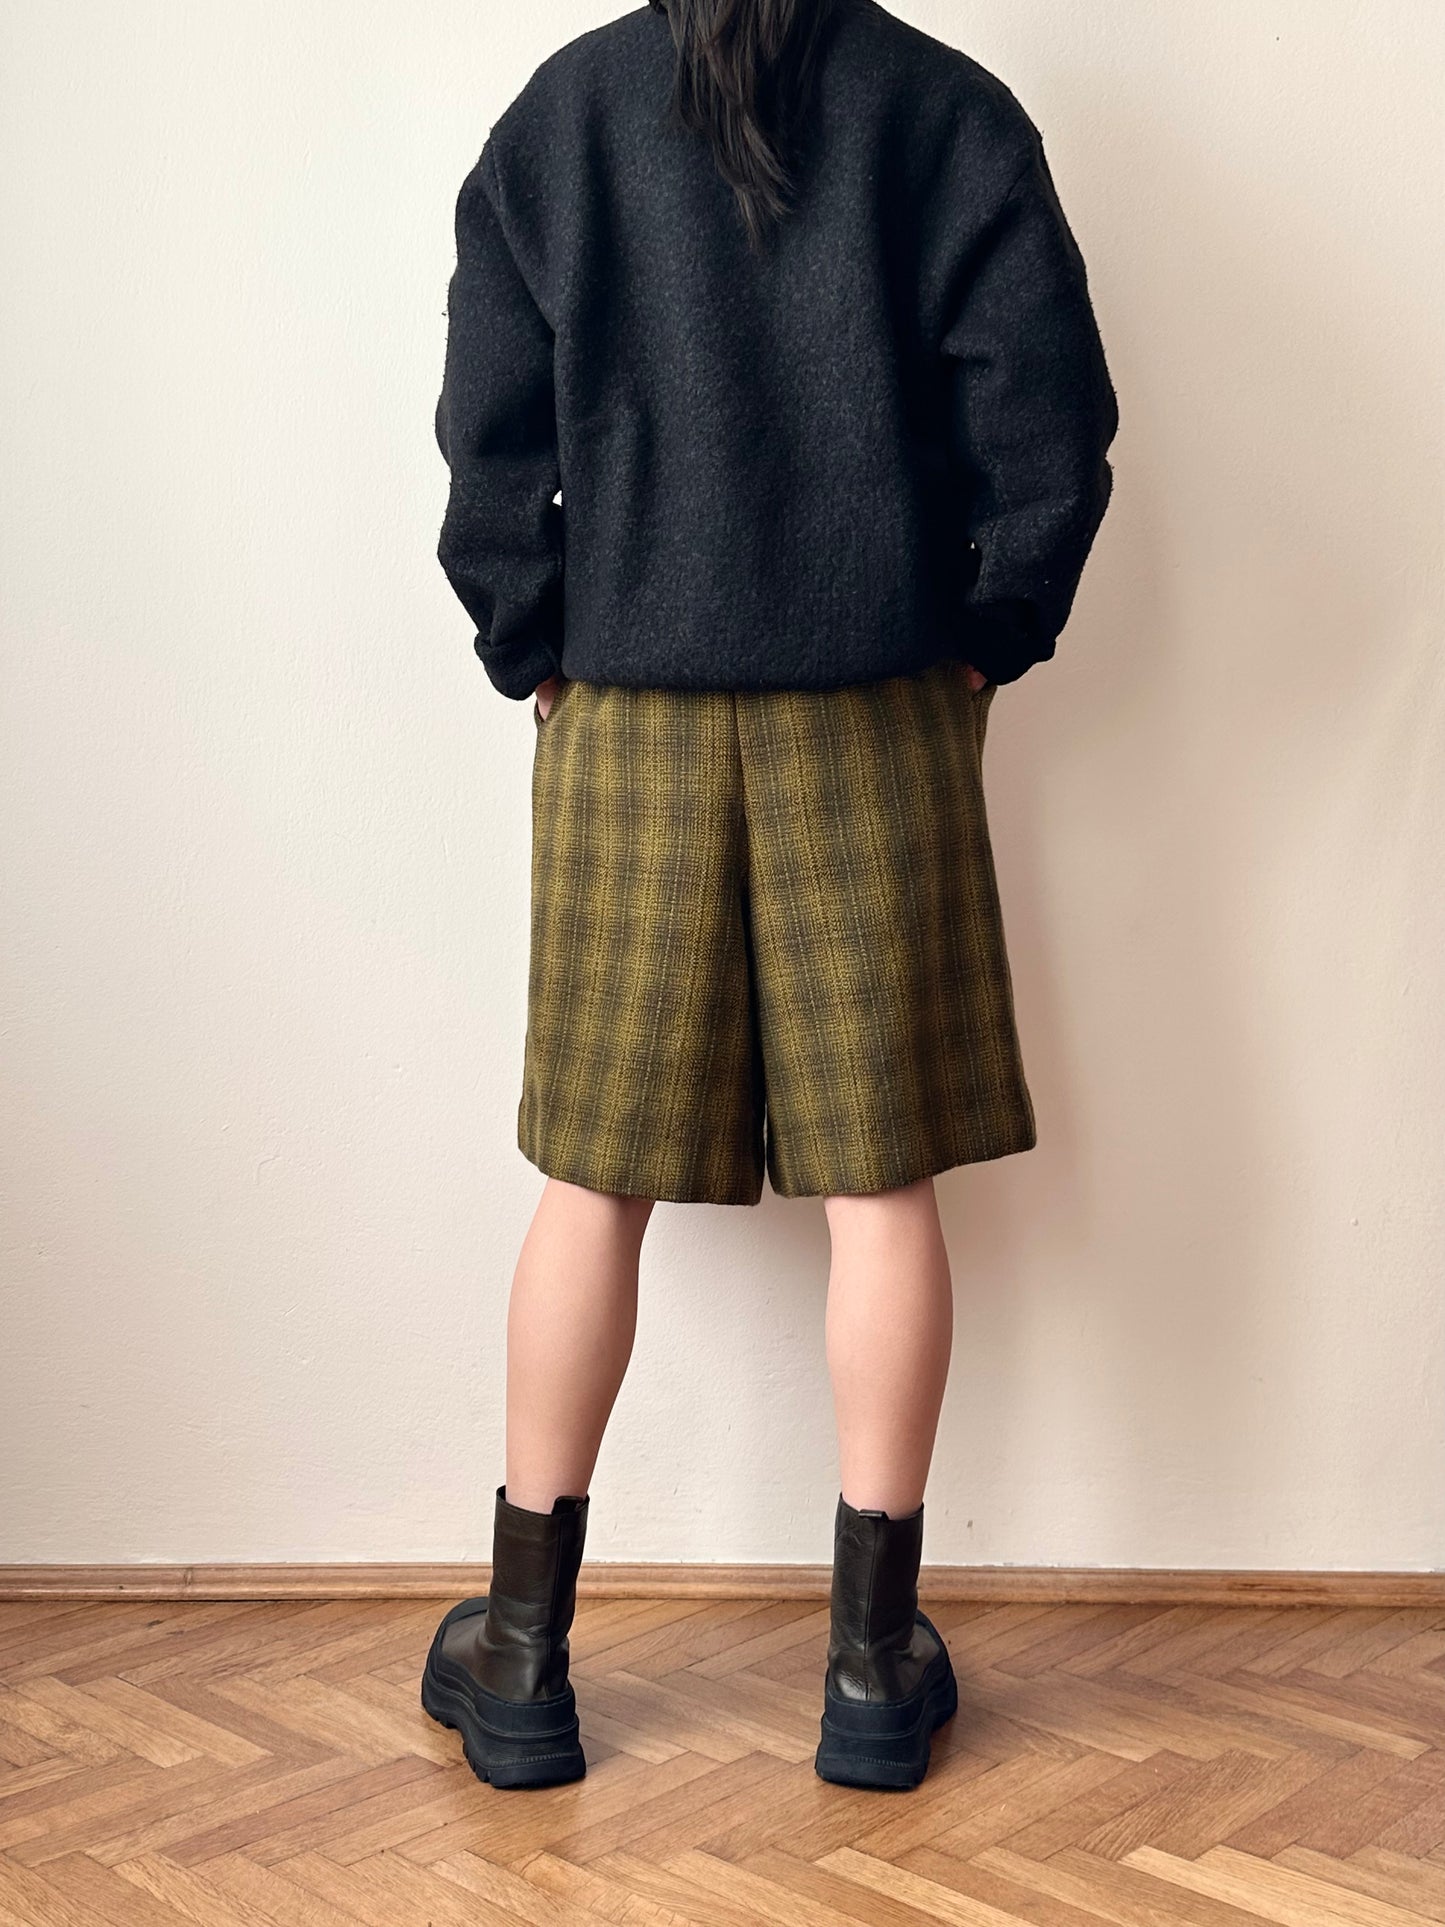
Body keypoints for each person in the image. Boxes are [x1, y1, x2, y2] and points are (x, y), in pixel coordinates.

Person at [420, 0, 1118, 1794]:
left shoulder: (565, 116)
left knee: (593, 1182)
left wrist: (536, 645)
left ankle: (520, 1661)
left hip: (629, 709)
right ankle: (872, 1674)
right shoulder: (943, 111)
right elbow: (1047, 429)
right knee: (878, 1190)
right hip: (875, 712)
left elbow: (487, 445)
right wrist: (982, 638)